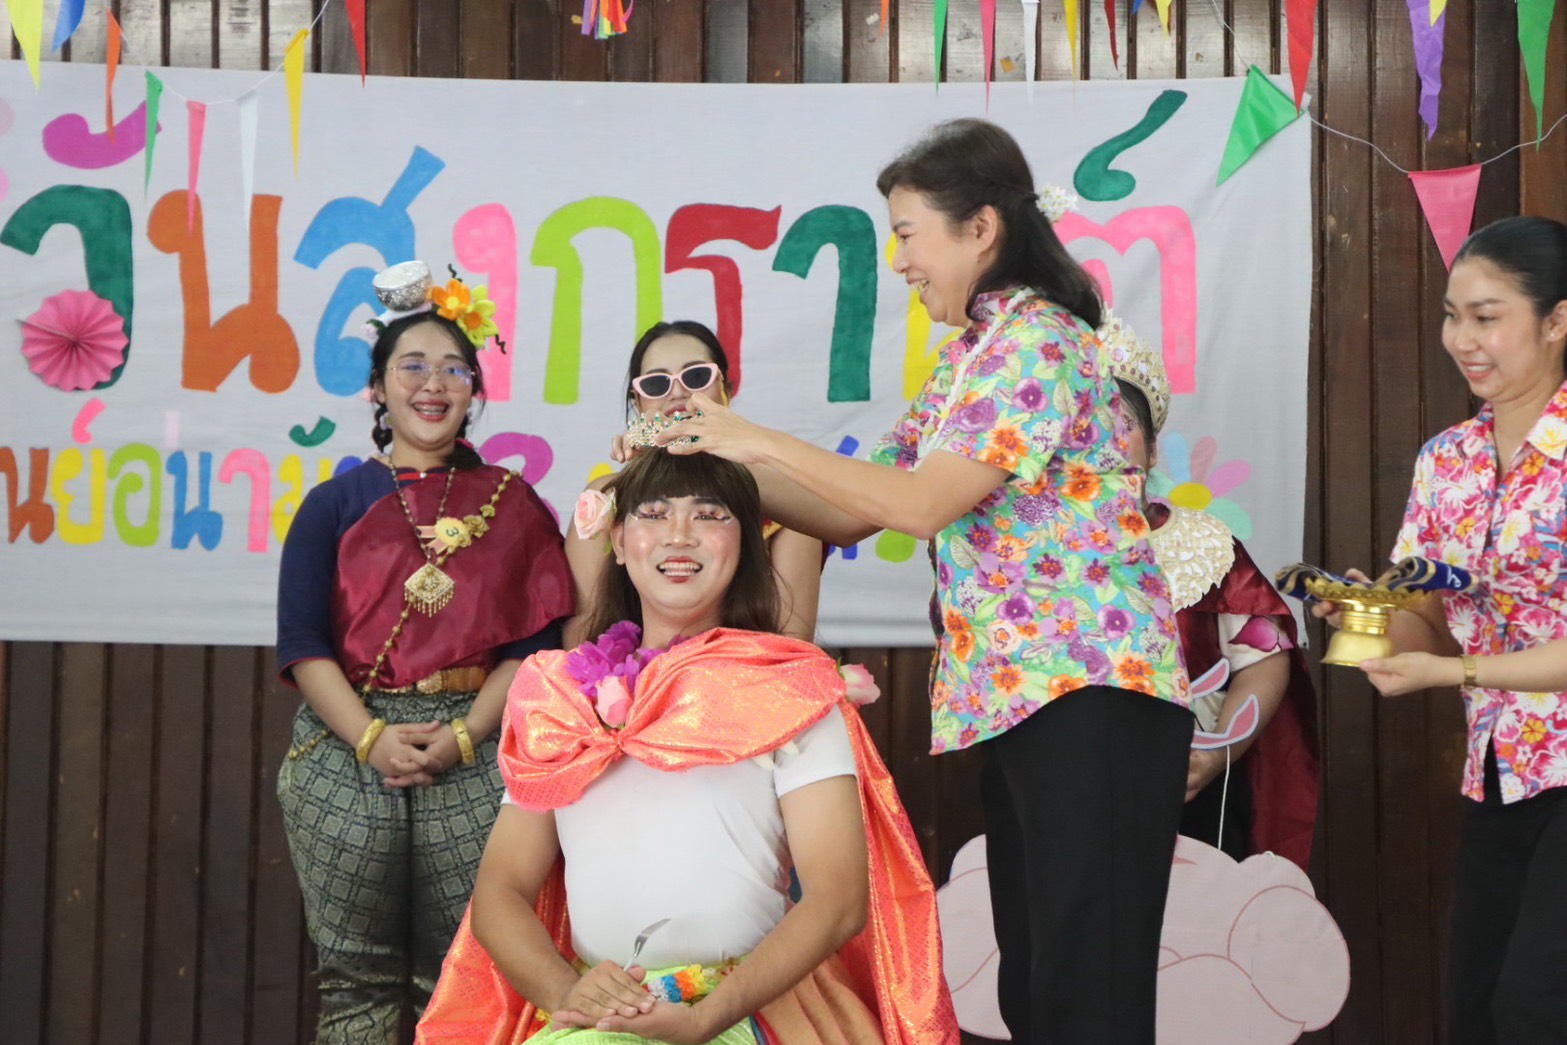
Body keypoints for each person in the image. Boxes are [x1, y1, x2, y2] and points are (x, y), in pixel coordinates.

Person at [652, 118, 1190, 1044]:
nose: (899, 260)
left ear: (980, 228)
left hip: (1091, 694)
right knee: (1038, 991)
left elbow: (919, 505)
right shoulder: (971, 355)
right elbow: (850, 509)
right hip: (1024, 701)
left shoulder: (1038, 340)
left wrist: (754, 438)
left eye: (906, 234)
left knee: (1085, 997)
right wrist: (700, 458)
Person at [417, 449, 957, 1045]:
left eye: (709, 515)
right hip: (597, 1016)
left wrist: (704, 1019)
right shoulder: (563, 702)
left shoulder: (789, 690)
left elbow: (838, 900)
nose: (679, 535)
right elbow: (500, 891)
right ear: (618, 542)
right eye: (653, 514)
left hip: (749, 1009)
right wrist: (567, 995)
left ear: (745, 544)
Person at [275, 262, 574, 1043]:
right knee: (354, 980)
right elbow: (304, 645)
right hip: (346, 746)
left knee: (466, 972)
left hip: (477, 744)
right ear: (376, 388)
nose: (433, 383)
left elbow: (533, 646)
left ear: (474, 390)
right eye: (411, 366)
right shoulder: (332, 504)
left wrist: (465, 734)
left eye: (453, 369)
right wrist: (371, 737)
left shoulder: (513, 503)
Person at [1316, 216, 1567, 1043]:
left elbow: (1451, 663)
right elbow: (1426, 617)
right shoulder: (1444, 460)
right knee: (1476, 1006)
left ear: (1556, 320)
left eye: (1485, 316)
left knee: (1536, 1007)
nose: (1461, 339)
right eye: (1452, 315)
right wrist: (1370, 616)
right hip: (1498, 767)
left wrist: (1452, 673)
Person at [1102, 312, 1320, 866]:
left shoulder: (1206, 545)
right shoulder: (1023, 557)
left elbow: (1264, 658)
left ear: (1153, 449)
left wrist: (1218, 754)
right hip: (1066, 788)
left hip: (1190, 790)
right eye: (1078, 428)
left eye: (1119, 423)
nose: (1101, 443)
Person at [564, 320, 822, 647]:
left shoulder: (784, 496)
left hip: (748, 672)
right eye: (656, 384)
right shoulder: (606, 497)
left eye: (696, 377)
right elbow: (583, 633)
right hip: (628, 675)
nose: (677, 393)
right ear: (637, 401)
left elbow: (793, 643)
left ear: (727, 388)